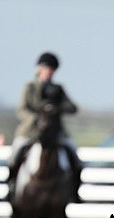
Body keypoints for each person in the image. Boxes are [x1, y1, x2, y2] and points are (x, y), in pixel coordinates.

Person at [7, 52, 82, 202]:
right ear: (39, 69)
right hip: (31, 133)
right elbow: (22, 109)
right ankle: (12, 189)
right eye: (46, 68)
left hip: (55, 135)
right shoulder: (29, 87)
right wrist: (37, 119)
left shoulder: (58, 89)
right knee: (14, 156)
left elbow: (73, 108)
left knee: (75, 157)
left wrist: (57, 108)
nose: (49, 72)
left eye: (52, 70)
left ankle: (74, 191)